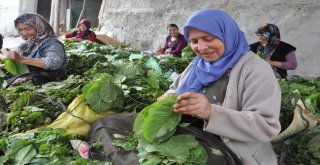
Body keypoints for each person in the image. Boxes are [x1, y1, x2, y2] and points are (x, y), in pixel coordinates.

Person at [87, 9, 281, 165]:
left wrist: (211, 113)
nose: (201, 48)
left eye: (209, 38)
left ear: (226, 34)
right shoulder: (198, 64)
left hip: (223, 145)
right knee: (108, 123)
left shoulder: (255, 69)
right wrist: (169, 97)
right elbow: (176, 88)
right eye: (195, 41)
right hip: (181, 128)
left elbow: (266, 126)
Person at [3, 13, 68, 87]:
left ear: (40, 27)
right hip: (28, 74)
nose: (24, 33)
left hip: (49, 78)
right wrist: (5, 65)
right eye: (21, 30)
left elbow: (54, 63)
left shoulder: (53, 44)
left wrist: (21, 59)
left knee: (15, 85)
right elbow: (19, 63)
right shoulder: (27, 45)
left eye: (27, 29)